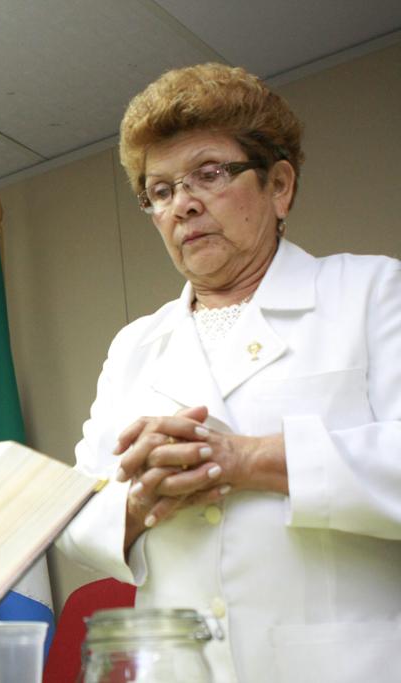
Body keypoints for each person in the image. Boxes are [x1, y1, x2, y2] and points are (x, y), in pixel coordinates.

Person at [56, 63, 400, 682]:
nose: (184, 203)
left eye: (209, 175)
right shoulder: (135, 346)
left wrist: (245, 459)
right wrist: (141, 502)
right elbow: (76, 515)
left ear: (279, 186)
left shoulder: (373, 291)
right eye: (160, 191)